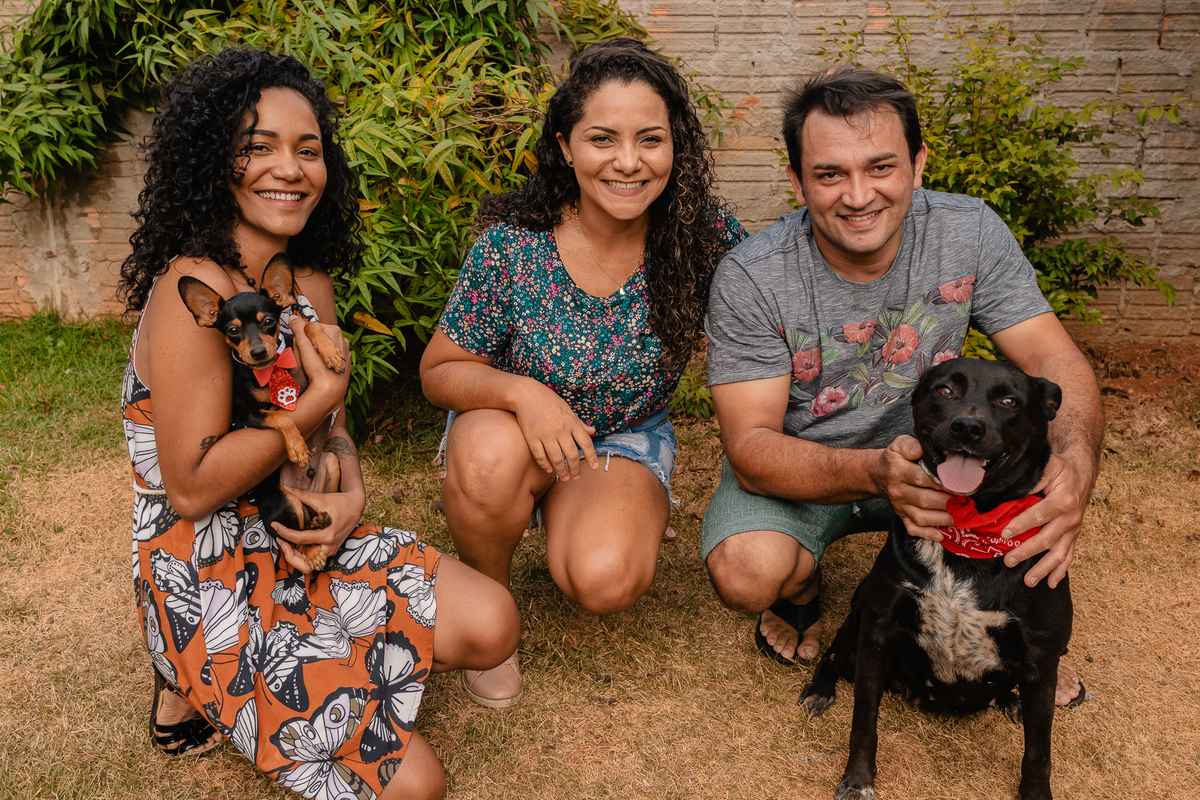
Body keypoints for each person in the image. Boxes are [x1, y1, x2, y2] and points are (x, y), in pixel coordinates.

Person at [118, 48, 518, 800]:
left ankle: (316, 651)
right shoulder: (193, 294)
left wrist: (351, 495)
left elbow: (333, 433)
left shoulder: (306, 285)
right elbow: (193, 487)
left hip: (296, 525)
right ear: (214, 160)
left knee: (495, 621)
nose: (289, 168)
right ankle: (186, 673)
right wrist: (321, 392)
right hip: (210, 565)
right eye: (258, 146)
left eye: (308, 150)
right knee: (419, 788)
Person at [702, 67, 1100, 706]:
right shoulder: (752, 276)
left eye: (880, 167)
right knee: (749, 571)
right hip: (815, 470)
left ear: (918, 164)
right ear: (797, 180)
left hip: (956, 463)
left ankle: (1023, 635)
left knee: (1032, 484)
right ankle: (803, 588)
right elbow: (750, 447)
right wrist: (878, 473)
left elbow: (1055, 358)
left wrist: (1076, 466)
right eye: (830, 174)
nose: (858, 195)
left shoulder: (969, 231)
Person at [419, 38, 747, 708]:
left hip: (621, 437)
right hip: (513, 428)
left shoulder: (702, 235)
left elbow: (780, 295)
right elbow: (439, 371)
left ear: (676, 145)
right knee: (487, 456)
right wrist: (521, 392)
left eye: (650, 139)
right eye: (602, 139)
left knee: (605, 580)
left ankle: (563, 506)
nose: (628, 161)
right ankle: (488, 604)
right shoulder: (514, 245)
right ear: (566, 147)